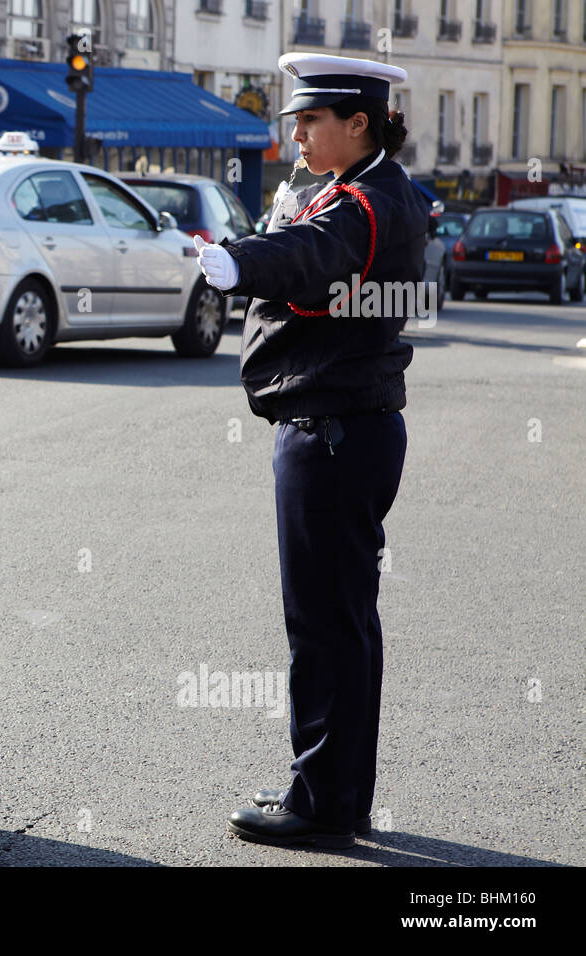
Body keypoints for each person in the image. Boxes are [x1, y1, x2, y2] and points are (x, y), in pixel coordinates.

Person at [193, 52, 428, 848]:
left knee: (324, 626)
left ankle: (321, 805)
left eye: (310, 118)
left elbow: (310, 254)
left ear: (358, 123)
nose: (294, 130)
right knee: (343, 622)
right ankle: (335, 792)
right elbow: (314, 247)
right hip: (347, 429)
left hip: (331, 433)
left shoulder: (364, 202)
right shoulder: (362, 191)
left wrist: (234, 262)